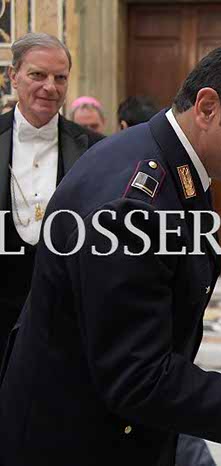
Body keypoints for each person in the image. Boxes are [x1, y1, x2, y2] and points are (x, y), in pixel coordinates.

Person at [0, 45, 221, 465]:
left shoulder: (171, 163)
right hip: (73, 441)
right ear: (208, 108)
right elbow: (136, 375)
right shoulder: (133, 204)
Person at [0, 33, 104, 364]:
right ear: (13, 76)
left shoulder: (96, 148)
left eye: (60, 78)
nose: (50, 87)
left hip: (66, 322)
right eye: (38, 75)